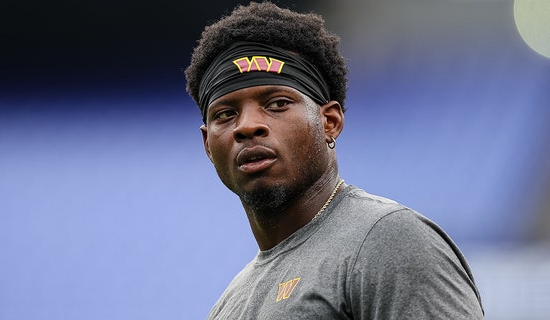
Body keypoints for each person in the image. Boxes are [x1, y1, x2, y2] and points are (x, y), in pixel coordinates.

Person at [184, 2, 484, 319]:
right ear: (207, 144)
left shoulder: (387, 240)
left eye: (277, 103)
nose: (247, 126)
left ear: (330, 121)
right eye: (225, 114)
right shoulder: (229, 305)